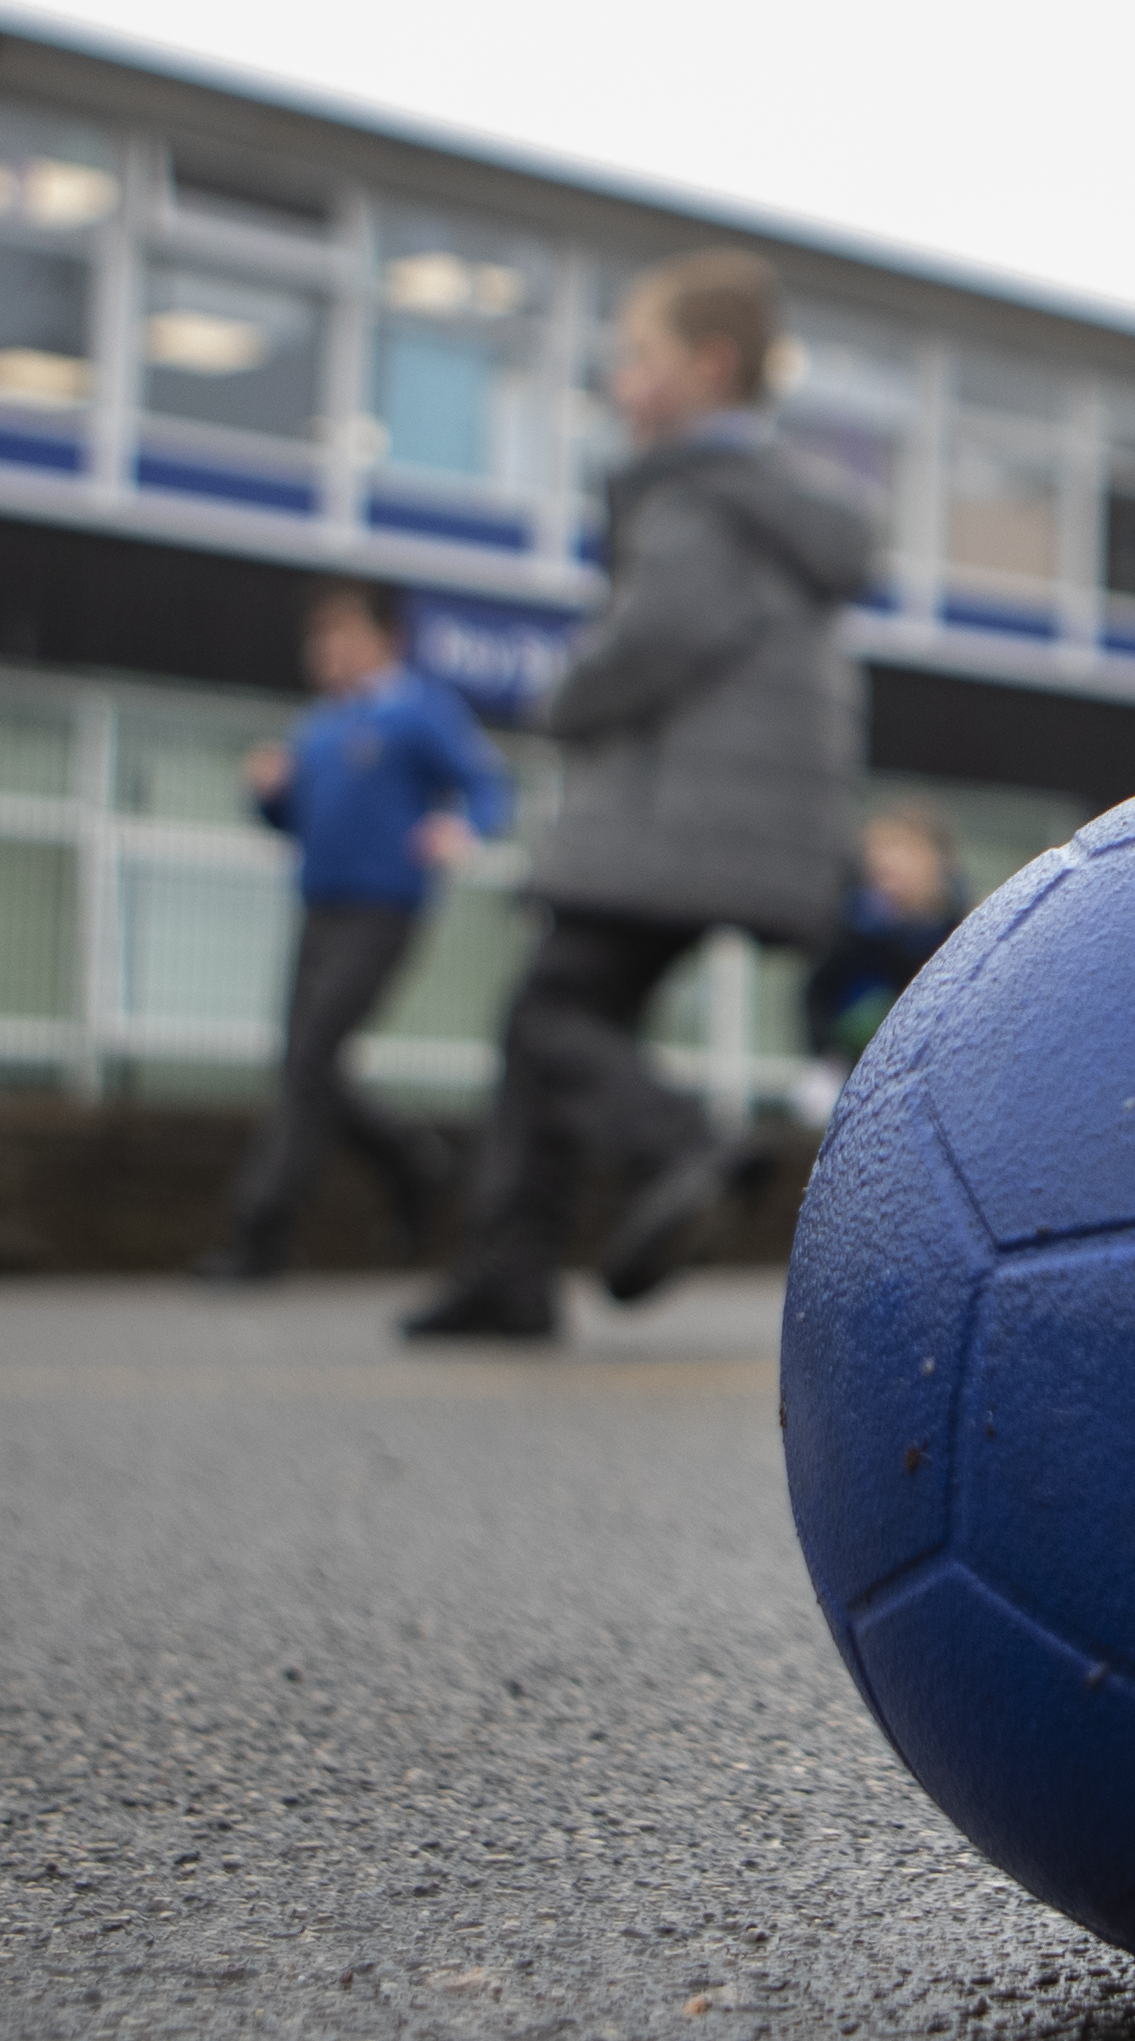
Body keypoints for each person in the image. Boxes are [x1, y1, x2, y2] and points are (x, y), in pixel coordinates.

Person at [402, 249, 877, 1341]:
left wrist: (562, 697)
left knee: (550, 1010)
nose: (619, 382)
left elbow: (653, 638)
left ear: (709, 367)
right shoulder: (785, 512)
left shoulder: (697, 499)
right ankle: (508, 1272)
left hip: (671, 819)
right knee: (556, 1023)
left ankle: (676, 1144)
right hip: (744, 822)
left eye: (636, 357)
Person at [193, 581, 508, 1283]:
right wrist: (267, 794)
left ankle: (259, 1237)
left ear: (386, 641)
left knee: (310, 1058)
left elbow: (488, 785)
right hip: (319, 909)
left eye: (341, 636)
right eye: (318, 639)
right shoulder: (318, 729)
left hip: (383, 910)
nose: (325, 653)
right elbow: (294, 822)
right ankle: (414, 1163)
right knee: (304, 1066)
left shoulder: (418, 713)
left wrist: (465, 826)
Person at [791, 802, 968, 1123]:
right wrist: (826, 1062)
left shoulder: (966, 934)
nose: (886, 865)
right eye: (879, 852)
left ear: (937, 860)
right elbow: (816, 999)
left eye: (902, 850)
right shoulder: (848, 930)